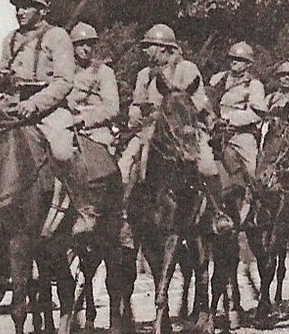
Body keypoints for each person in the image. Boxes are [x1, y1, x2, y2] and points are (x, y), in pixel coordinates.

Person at [120, 23, 222, 210]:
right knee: (124, 166)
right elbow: (136, 103)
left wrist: (176, 113)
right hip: (151, 129)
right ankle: (125, 214)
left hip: (185, 129)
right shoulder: (145, 74)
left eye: (149, 46)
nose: (145, 51)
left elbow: (199, 100)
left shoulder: (186, 69)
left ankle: (218, 212)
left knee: (206, 165)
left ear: (162, 48)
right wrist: (134, 116)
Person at [0, 0, 77, 162]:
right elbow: (3, 73)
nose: (20, 12)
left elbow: (64, 82)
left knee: (62, 153)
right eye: (17, 7)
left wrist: (34, 103)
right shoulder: (10, 39)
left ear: (41, 10)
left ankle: (73, 190)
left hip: (49, 112)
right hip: (12, 107)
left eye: (26, 7)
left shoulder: (57, 36)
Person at [209, 42, 268, 179]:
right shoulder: (217, 79)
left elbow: (257, 113)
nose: (234, 61)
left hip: (240, 135)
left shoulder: (254, 85)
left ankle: (249, 197)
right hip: (213, 130)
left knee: (252, 170)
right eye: (232, 58)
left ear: (248, 64)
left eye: (240, 59)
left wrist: (229, 119)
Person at [65, 22, 120, 149]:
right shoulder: (64, 71)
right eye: (81, 44)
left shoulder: (104, 72)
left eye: (89, 44)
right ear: (72, 46)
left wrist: (84, 118)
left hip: (96, 131)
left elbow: (112, 108)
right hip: (67, 128)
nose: (86, 48)